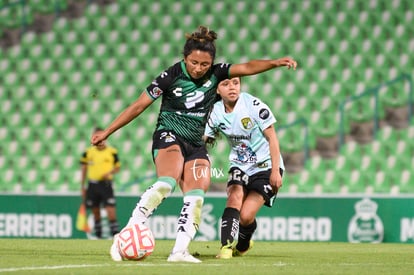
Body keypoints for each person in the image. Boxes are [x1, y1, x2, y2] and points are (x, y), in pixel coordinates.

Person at [90, 26, 297, 263]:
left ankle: (179, 251)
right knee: (167, 183)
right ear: (185, 58)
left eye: (204, 64)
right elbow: (139, 105)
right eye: (193, 62)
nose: (198, 68)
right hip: (169, 136)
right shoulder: (170, 76)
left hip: (195, 144)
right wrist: (107, 131)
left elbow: (248, 67)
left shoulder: (218, 74)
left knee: (196, 196)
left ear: (212, 63)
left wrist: (275, 63)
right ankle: (127, 232)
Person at [204, 77, 284, 259]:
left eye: (235, 83)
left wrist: (275, 171)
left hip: (266, 166)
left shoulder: (253, 105)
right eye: (225, 84)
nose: (232, 87)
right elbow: (204, 141)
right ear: (217, 90)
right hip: (239, 164)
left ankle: (243, 243)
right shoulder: (215, 112)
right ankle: (225, 247)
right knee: (234, 196)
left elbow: (272, 137)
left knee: (246, 217)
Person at [81, 127, 121, 239]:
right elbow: (83, 169)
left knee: (111, 210)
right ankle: (98, 238)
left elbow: (117, 168)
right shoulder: (88, 152)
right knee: (95, 212)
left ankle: (116, 237)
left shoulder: (112, 152)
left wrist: (109, 173)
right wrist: (82, 186)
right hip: (93, 185)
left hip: (106, 184)